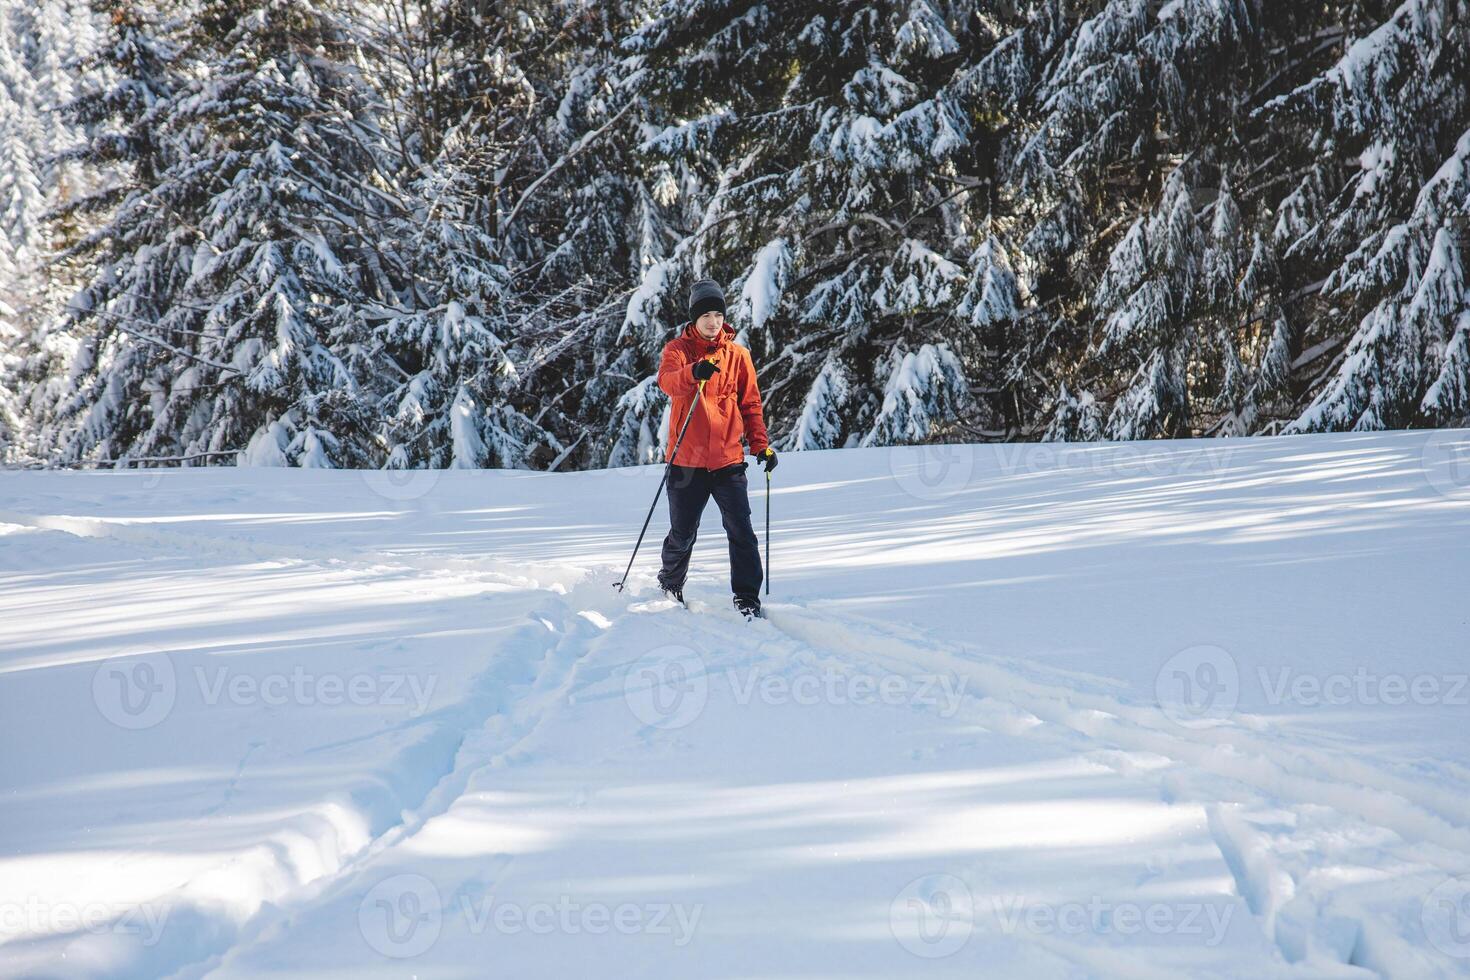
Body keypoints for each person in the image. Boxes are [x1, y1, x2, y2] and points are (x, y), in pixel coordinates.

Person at [655, 278, 778, 619]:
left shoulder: (738, 356)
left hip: (727, 461)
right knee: (682, 532)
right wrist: (694, 371)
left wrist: (761, 447)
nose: (713, 321)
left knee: (741, 530)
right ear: (694, 319)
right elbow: (668, 382)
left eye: (718, 315)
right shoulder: (678, 351)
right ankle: (670, 583)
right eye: (706, 315)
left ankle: (747, 598)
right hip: (686, 462)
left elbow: (751, 405)